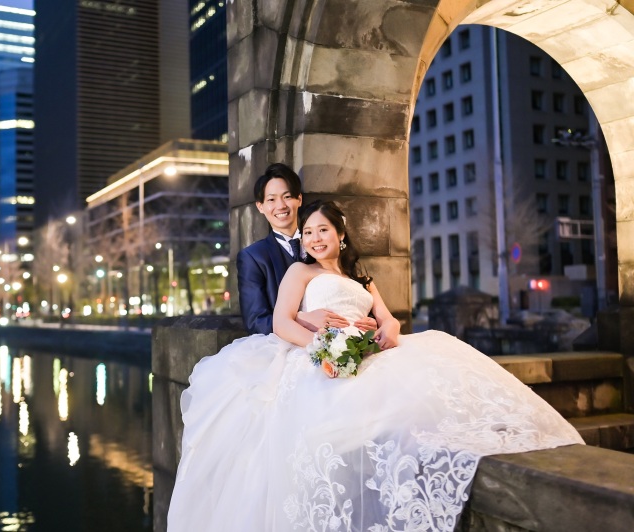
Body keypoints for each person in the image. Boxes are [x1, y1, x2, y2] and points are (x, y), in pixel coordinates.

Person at [168, 200, 583, 532]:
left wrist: (386, 329)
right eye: (308, 231)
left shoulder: (362, 279)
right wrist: (321, 347)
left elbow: (389, 317)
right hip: (322, 353)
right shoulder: (300, 271)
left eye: (323, 230)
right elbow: (280, 322)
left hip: (370, 351)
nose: (314, 238)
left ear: (341, 234)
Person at [237, 163, 374, 335]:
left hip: (345, 341)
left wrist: (366, 321)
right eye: (271, 199)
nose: (281, 206)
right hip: (285, 347)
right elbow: (255, 320)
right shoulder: (253, 257)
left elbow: (349, 289)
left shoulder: (326, 245)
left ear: (299, 199)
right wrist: (301, 319)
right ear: (260, 206)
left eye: (287, 197)